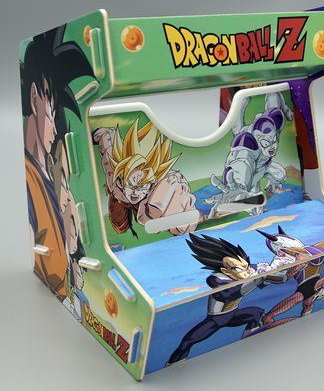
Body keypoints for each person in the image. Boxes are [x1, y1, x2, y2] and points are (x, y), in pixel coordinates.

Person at [21, 24, 95, 301]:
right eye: (52, 113)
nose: (54, 130)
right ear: (34, 97)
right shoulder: (32, 177)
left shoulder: (47, 177)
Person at [166, 233, 274, 365]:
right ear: (225, 270)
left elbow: (264, 283)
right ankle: (174, 364)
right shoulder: (216, 280)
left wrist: (270, 274)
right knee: (187, 342)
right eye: (239, 269)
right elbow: (229, 294)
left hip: (233, 314)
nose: (247, 271)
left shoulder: (250, 272)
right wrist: (256, 279)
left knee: (257, 313)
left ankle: (251, 340)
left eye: (247, 267)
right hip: (215, 319)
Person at [93, 118, 197, 237]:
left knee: (146, 215)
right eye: (130, 184)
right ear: (121, 180)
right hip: (119, 198)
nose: (134, 192)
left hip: (144, 200)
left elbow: (172, 182)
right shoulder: (112, 171)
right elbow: (106, 135)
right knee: (120, 226)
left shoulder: (158, 184)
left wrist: (184, 212)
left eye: (141, 185)